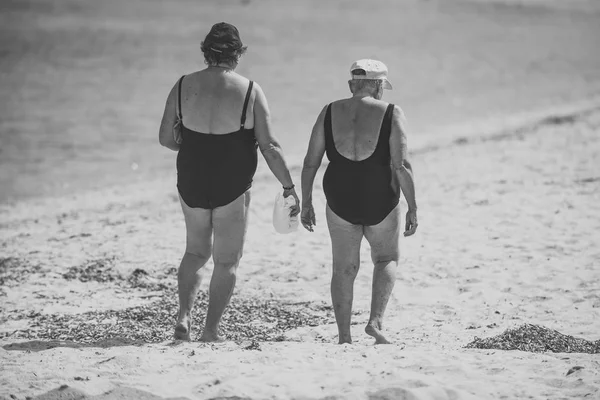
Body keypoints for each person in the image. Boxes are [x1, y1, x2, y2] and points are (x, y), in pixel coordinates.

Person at [158, 22, 299, 342]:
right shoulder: (250, 91)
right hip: (231, 185)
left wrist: (194, 146)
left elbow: (166, 138)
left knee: (195, 251)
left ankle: (183, 319)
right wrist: (288, 187)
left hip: (191, 178)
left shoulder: (182, 86)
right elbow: (270, 147)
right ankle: (210, 331)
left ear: (206, 51)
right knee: (226, 259)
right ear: (237, 54)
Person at [301, 59, 418, 345]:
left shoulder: (329, 111)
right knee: (386, 258)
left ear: (352, 84)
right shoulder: (391, 112)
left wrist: (306, 202)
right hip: (380, 198)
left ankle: (344, 336)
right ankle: (375, 323)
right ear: (378, 85)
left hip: (340, 199)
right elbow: (401, 165)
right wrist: (413, 206)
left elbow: (310, 162)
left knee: (343, 267)